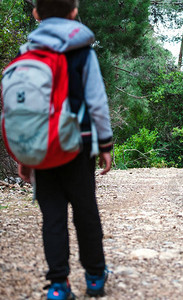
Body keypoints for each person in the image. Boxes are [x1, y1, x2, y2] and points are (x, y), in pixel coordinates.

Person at [17, 0, 113, 298]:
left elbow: (20, 109)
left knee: (53, 216)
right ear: (74, 11)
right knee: (86, 211)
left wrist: (24, 153)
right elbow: (97, 102)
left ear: (35, 13)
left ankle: (58, 285)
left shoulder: (27, 53)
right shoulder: (83, 52)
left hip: (41, 146)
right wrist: (105, 144)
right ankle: (95, 276)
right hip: (78, 143)